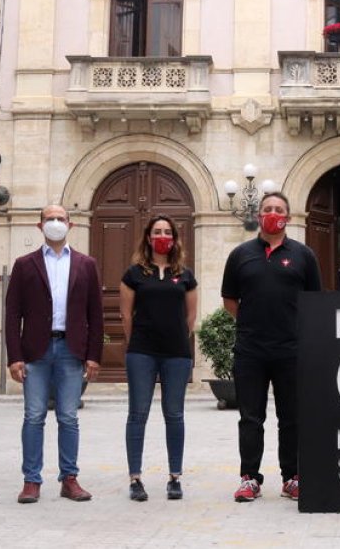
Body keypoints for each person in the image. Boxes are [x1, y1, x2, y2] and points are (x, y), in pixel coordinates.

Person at [221, 191, 321, 502]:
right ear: (259, 214)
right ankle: (250, 478)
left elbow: (314, 301)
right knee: (251, 418)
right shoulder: (241, 255)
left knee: (291, 417)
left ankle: (292, 477)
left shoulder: (304, 255)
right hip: (250, 351)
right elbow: (229, 300)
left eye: (278, 209)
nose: (272, 213)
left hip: (291, 350)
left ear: (288, 217)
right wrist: (253, 323)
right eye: (267, 209)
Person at [5, 205, 104, 503]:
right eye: (50, 219)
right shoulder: (25, 264)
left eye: (61, 219)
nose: (56, 223)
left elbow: (95, 315)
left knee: (69, 417)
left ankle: (69, 478)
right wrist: (14, 356)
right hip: (35, 350)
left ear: (70, 225)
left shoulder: (86, 264)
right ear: (40, 225)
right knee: (34, 416)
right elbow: (12, 314)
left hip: (71, 349)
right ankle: (31, 481)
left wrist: (94, 355)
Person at [120, 214, 198, 502]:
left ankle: (175, 477)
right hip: (142, 352)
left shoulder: (186, 275)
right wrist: (139, 341)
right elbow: (126, 315)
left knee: (174, 414)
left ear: (175, 238)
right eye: (157, 231)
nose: (162, 236)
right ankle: (135, 479)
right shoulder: (134, 274)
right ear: (148, 238)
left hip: (176, 353)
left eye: (167, 231)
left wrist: (176, 336)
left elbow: (190, 317)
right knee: (138, 414)